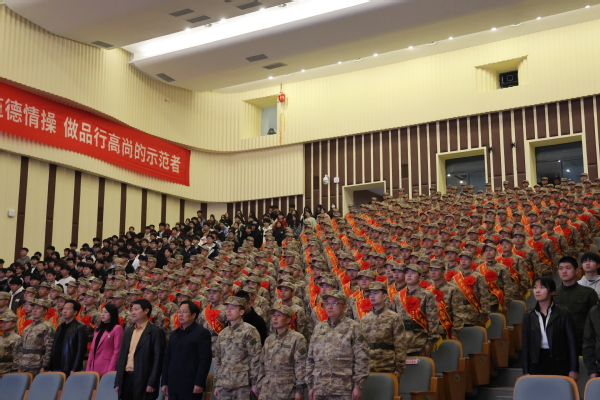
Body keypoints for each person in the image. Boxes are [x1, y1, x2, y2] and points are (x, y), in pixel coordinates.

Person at [306, 290, 369, 400]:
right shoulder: (319, 328)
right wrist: (310, 385)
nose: (330, 307)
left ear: (344, 307)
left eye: (334, 303)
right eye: (327, 303)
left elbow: (362, 358)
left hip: (343, 388)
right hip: (319, 387)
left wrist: (358, 386)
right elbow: (311, 358)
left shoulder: (354, 327)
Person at [522, 277, 578, 379]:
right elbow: (525, 344)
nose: (537, 291)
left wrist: (574, 369)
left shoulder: (563, 313)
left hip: (559, 361)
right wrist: (526, 371)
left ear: (552, 292)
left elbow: (572, 342)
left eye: (542, 287)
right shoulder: (529, 315)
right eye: (535, 287)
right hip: (537, 361)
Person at [114, 299, 166, 400]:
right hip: (126, 378)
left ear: (146, 311)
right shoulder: (128, 330)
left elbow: (158, 359)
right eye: (132, 309)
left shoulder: (155, 332)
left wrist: (152, 382)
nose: (133, 312)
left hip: (144, 379)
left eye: (136, 309)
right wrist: (118, 381)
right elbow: (122, 357)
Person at [213, 296, 262, 400]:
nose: (228, 311)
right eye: (227, 308)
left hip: (242, 385)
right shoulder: (223, 333)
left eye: (232, 308)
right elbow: (218, 360)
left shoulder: (250, 331)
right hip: (224, 384)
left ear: (241, 312)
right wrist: (217, 383)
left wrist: (254, 383)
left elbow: (255, 358)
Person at [162, 301, 212, 400]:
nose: (180, 315)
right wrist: (164, 382)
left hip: (191, 385)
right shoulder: (174, 334)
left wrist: (199, 382)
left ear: (193, 315)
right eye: (179, 312)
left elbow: (205, 360)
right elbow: (167, 359)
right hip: (173, 383)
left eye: (184, 312)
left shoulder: (202, 333)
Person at [257, 304, 307, 400]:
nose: (275, 318)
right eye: (273, 315)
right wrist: (260, 388)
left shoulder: (297, 338)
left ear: (288, 320)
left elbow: (301, 365)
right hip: (267, 391)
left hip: (287, 391)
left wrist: (299, 390)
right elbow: (262, 364)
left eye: (279, 315)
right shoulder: (269, 339)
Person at [554, 256, 599, 355]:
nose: (564, 271)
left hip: (582, 342)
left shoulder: (589, 293)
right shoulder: (552, 293)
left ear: (577, 271)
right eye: (561, 268)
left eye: (568, 268)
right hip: (558, 342)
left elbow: (596, 322)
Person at [361, 281, 406, 379]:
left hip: (387, 365)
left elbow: (400, 345)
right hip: (368, 366)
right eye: (370, 293)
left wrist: (399, 368)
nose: (372, 296)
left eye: (376, 293)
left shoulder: (394, 317)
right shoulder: (365, 319)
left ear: (384, 296)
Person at [16, 299, 56, 376]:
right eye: (33, 308)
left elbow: (50, 348)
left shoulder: (48, 326)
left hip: (37, 364)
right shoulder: (27, 327)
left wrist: (45, 366)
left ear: (45, 311)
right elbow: (21, 347)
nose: (34, 310)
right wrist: (19, 365)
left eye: (38, 308)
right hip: (24, 364)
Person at [48, 300, 88, 376]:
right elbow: (54, 347)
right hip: (55, 366)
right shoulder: (60, 327)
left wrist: (74, 368)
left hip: (68, 367)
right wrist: (49, 366)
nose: (64, 311)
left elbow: (81, 350)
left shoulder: (80, 327)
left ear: (75, 312)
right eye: (64, 308)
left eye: (68, 309)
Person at [86, 303, 124, 376]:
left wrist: (111, 370)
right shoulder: (97, 329)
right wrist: (88, 368)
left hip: (107, 366)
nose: (102, 314)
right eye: (102, 312)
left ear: (112, 314)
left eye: (106, 312)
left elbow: (117, 351)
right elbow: (92, 350)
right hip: (93, 366)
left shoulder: (117, 328)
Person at [0, 311, 21, 377]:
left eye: (6, 322)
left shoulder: (16, 338)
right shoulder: (1, 337)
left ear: (13, 324)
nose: (2, 324)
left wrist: (14, 372)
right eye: (2, 322)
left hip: (7, 371)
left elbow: (17, 359)